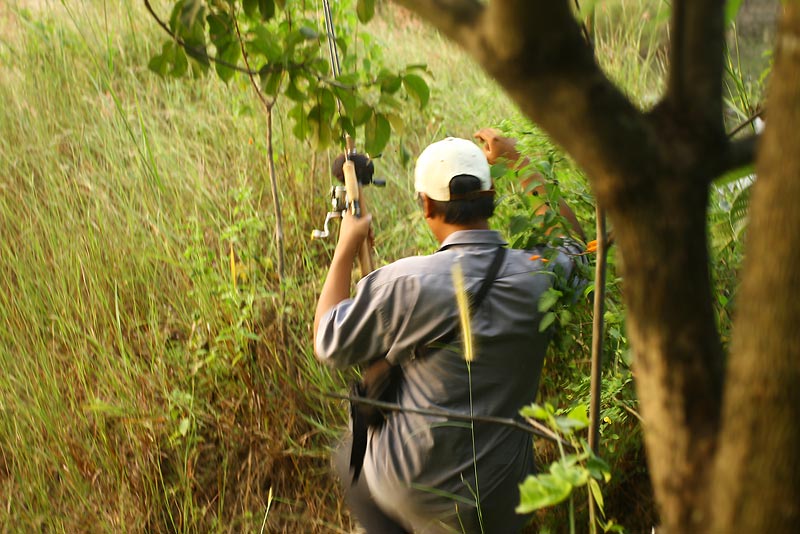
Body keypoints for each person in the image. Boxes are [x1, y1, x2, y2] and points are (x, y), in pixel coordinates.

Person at [314, 132, 585, 533]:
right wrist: (518, 160)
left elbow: (328, 340)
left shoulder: (402, 283)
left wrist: (346, 244)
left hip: (415, 499)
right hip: (505, 502)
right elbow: (574, 245)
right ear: (490, 193)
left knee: (348, 456)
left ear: (426, 205)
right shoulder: (539, 274)